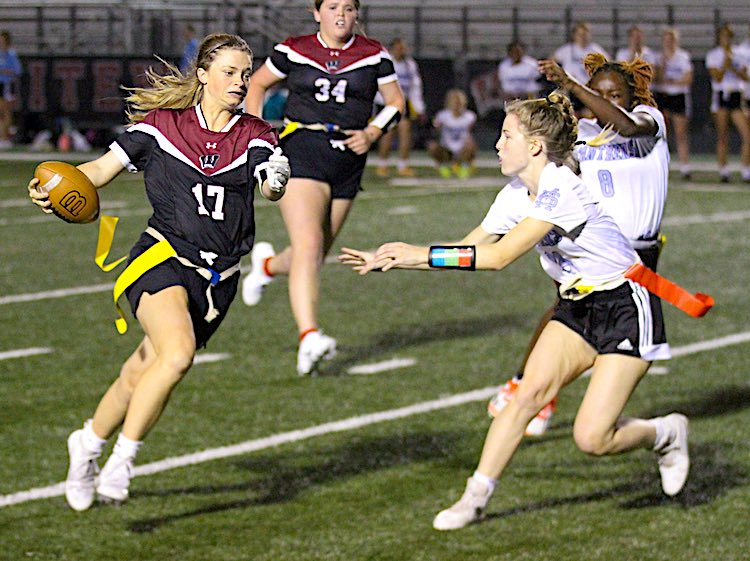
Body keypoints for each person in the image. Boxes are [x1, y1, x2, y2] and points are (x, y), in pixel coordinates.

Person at [339, 91, 689, 531]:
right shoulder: (514, 194)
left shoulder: (561, 188)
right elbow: (471, 247)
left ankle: (666, 433)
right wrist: (398, 256)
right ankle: (475, 498)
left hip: (624, 304)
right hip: (576, 306)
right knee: (524, 397)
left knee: (591, 438)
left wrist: (417, 254)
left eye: (507, 136)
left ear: (536, 146)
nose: (498, 145)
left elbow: (500, 257)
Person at [27, 33, 290, 511]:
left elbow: (268, 183)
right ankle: (122, 462)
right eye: (229, 72)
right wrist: (55, 186)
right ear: (203, 74)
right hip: (161, 256)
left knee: (141, 371)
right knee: (177, 355)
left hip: (218, 280)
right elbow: (101, 170)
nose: (239, 81)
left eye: (245, 73)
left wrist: (276, 179)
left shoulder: (257, 133)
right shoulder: (161, 127)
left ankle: (86, 444)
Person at [487, 53, 672, 435]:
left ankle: (542, 393)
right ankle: (533, 389)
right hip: (591, 244)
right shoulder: (582, 132)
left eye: (614, 94)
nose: (603, 100)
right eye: (598, 92)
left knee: (596, 330)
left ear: (631, 95)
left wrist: (573, 86)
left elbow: (627, 123)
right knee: (566, 311)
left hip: (638, 253)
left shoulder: (648, 122)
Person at [239, 0, 405, 376]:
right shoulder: (294, 48)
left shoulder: (373, 53)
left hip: (348, 157)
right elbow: (259, 83)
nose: (340, 14)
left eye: (348, 7)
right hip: (302, 148)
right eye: (332, 7)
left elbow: (396, 102)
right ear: (317, 13)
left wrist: (374, 132)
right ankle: (309, 336)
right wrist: (256, 134)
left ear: (357, 13)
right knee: (310, 246)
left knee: (311, 253)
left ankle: (266, 266)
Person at [705, 23, 750, 183]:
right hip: (722, 95)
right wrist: (726, 63)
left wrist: (735, 68)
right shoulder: (713, 55)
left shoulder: (740, 53)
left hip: (737, 95)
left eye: (729, 36)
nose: (727, 39)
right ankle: (724, 170)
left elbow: (745, 77)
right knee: (723, 135)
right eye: (724, 36)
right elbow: (717, 77)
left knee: (747, 134)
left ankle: (746, 170)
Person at [375, 37, 425, 178]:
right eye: (399, 48)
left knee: (405, 133)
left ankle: (403, 165)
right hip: (387, 103)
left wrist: (419, 107)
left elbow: (415, 86)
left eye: (403, 48)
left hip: (403, 103)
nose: (402, 50)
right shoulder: (385, 62)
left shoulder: (410, 65)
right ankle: (382, 165)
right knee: (387, 134)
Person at [653, 27, 694, 179]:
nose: (669, 43)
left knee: (681, 133)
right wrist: (663, 67)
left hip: (678, 96)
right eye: (667, 39)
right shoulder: (658, 57)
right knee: (662, 133)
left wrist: (672, 81)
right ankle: (661, 165)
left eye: (672, 39)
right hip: (662, 95)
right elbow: (656, 78)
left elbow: (688, 78)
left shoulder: (683, 56)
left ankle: (685, 167)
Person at [552, 21, 609, 113]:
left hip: (589, 87)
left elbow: (608, 62)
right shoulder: (567, 49)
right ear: (575, 35)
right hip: (571, 87)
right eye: (580, 35)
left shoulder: (595, 49)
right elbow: (552, 60)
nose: (583, 37)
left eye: (585, 34)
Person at [427, 88, 477, 178]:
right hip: (447, 149)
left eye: (458, 101)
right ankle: (443, 166)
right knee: (432, 146)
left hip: (462, 149)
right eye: (454, 101)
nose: (456, 104)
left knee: (471, 145)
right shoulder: (442, 115)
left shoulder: (469, 116)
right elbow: (435, 129)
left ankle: (465, 166)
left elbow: (472, 133)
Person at [0, 31, 22, 149]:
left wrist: (4, 72)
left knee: (5, 112)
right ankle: (2, 136)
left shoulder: (11, 54)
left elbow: (17, 71)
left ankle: (5, 137)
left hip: (6, 84)